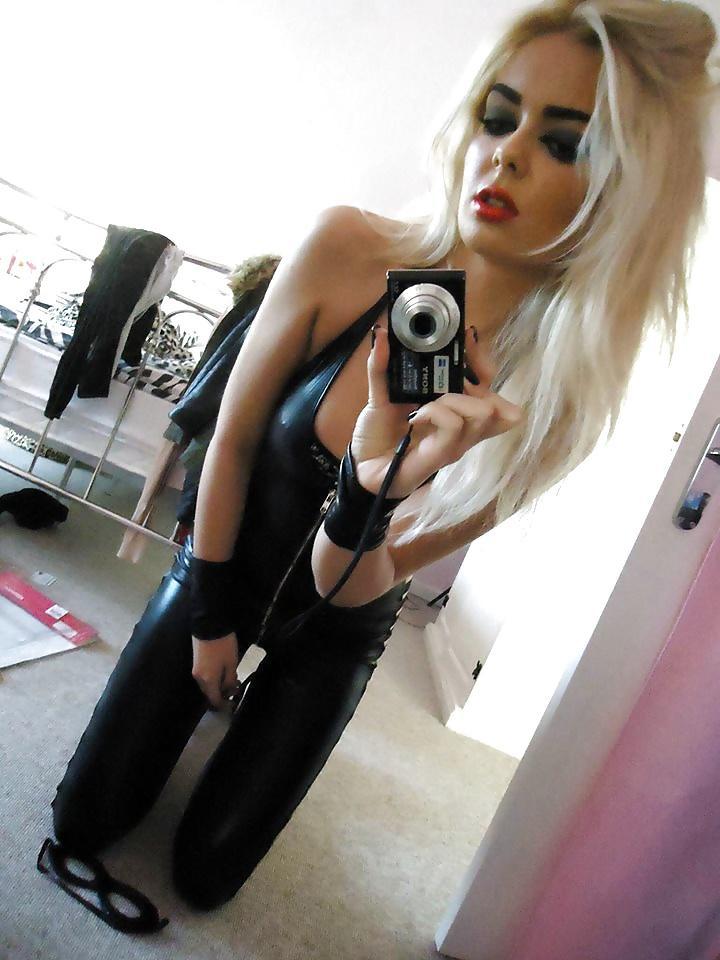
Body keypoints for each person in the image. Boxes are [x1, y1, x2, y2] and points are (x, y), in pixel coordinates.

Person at [45, 0, 717, 927]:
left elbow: (350, 585)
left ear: (623, 191)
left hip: (337, 633)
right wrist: (208, 620)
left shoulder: (557, 399)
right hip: (221, 568)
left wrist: (371, 480)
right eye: (498, 117)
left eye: (566, 144)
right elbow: (230, 441)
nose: (506, 156)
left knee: (206, 878)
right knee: (80, 823)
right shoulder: (347, 248)